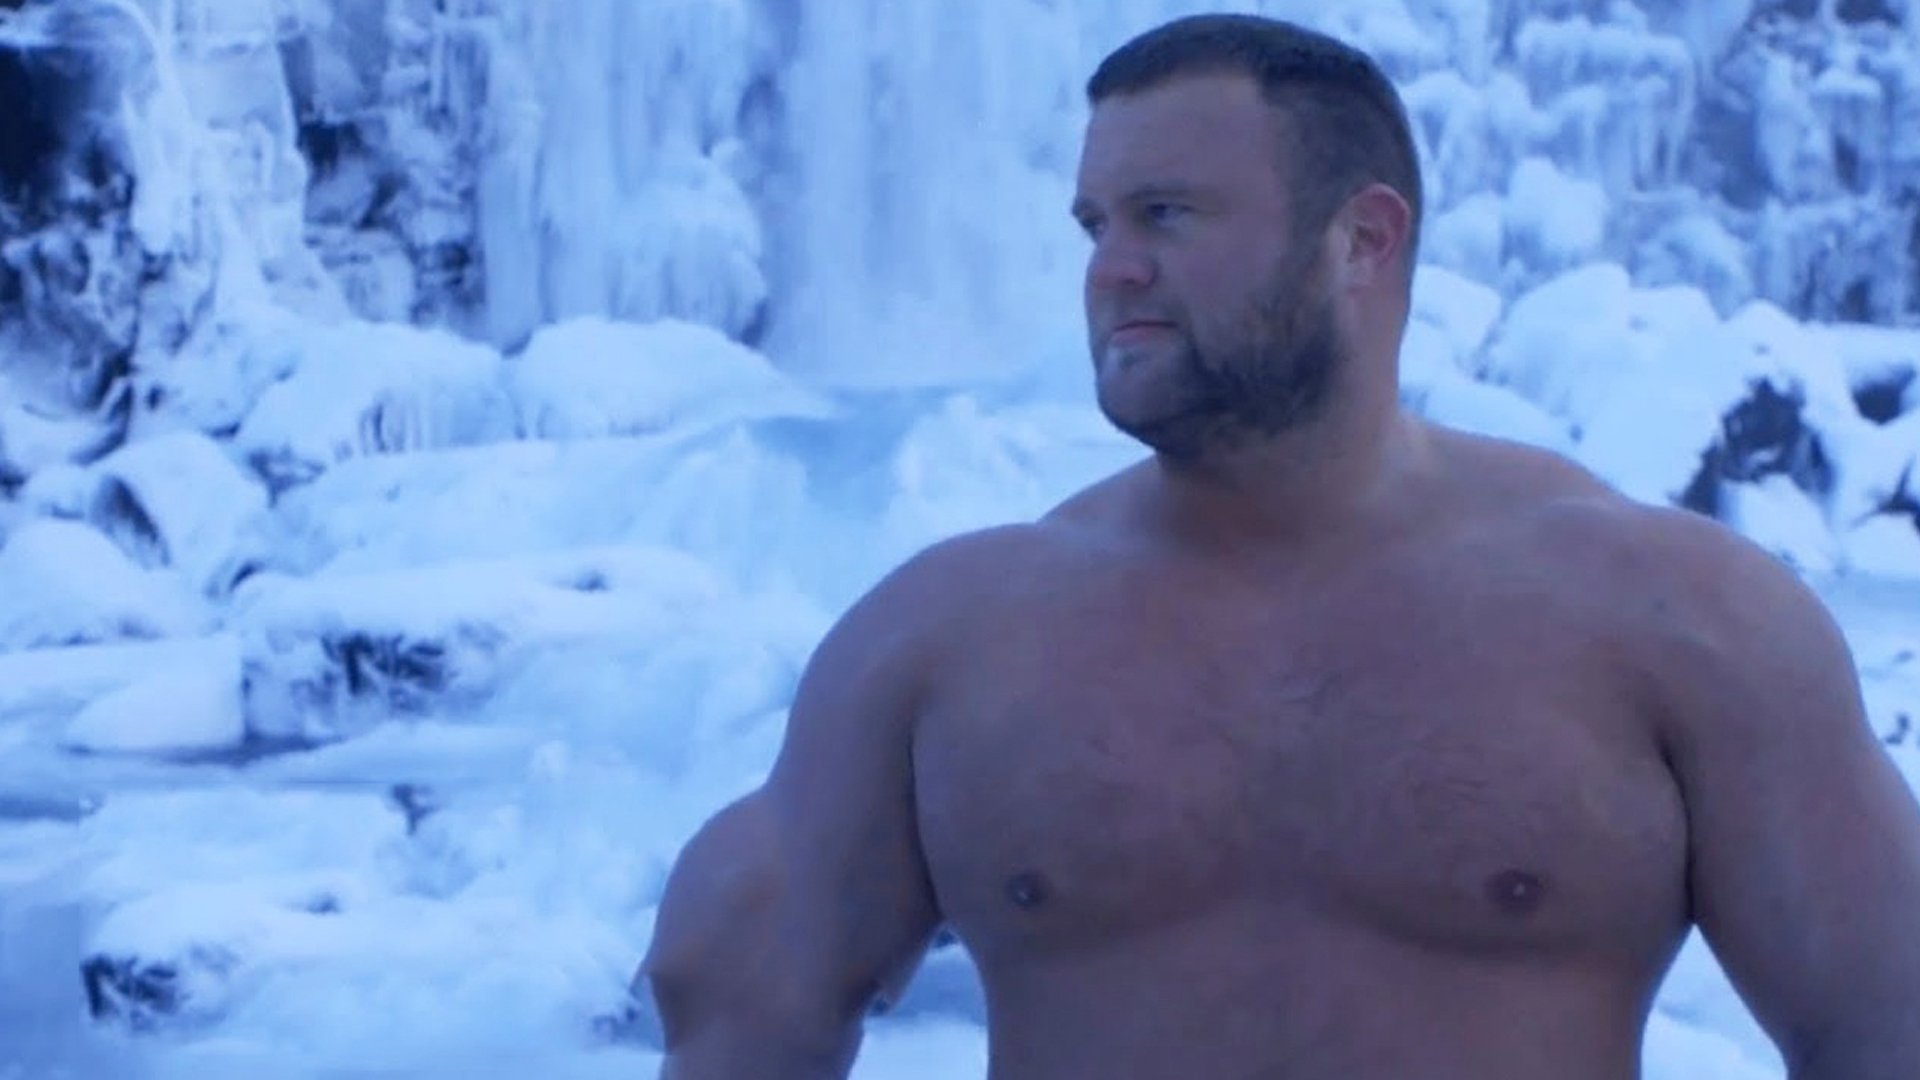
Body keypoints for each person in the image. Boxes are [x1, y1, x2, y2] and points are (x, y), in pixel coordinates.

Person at [635, 13, 1920, 1079]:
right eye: (1095, 225)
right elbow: (741, 1021)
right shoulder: (942, 644)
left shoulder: (1673, 622)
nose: (1113, 270)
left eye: (1167, 215)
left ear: (1363, 242)